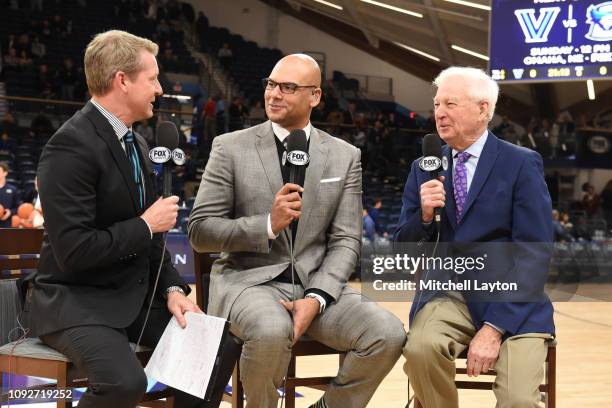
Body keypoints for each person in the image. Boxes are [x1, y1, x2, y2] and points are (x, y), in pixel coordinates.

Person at [188, 54, 406, 408]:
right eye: (271, 85)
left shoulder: (344, 156)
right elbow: (200, 231)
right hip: (248, 282)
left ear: (315, 97)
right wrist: (266, 225)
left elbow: (347, 239)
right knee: (272, 330)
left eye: (288, 88)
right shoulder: (230, 147)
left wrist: (317, 296)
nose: (274, 94)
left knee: (387, 333)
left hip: (317, 285)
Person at [29, 30, 223, 408]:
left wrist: (171, 290)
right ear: (122, 80)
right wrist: (146, 224)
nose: (160, 89)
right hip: (76, 302)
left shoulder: (137, 143)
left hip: (129, 296)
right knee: (124, 383)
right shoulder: (69, 146)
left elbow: (155, 240)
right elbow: (74, 251)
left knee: (213, 349)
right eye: (152, 79)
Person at [394, 67, 554, 408]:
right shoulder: (423, 167)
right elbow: (403, 249)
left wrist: (494, 328)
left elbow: (534, 253)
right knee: (421, 349)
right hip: (450, 297)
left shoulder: (521, 164)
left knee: (519, 402)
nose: (439, 112)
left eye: (450, 103)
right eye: (437, 104)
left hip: (514, 302)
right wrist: (423, 217)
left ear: (484, 109)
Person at [0, 162, 19, 227]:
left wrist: (10, 212)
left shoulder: (13, 189)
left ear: (5, 173)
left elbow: (18, 207)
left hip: (7, 224)